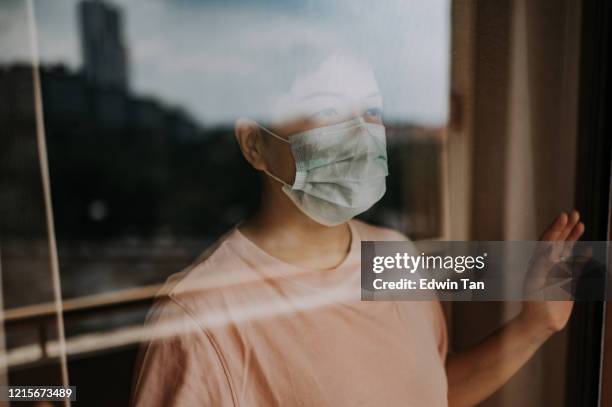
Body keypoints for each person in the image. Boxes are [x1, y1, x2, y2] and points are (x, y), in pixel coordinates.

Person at [131, 52, 585, 407]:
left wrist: (534, 326)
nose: (360, 131)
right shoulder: (199, 316)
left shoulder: (395, 257)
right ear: (255, 145)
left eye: (371, 108)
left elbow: (431, 392)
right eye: (328, 109)